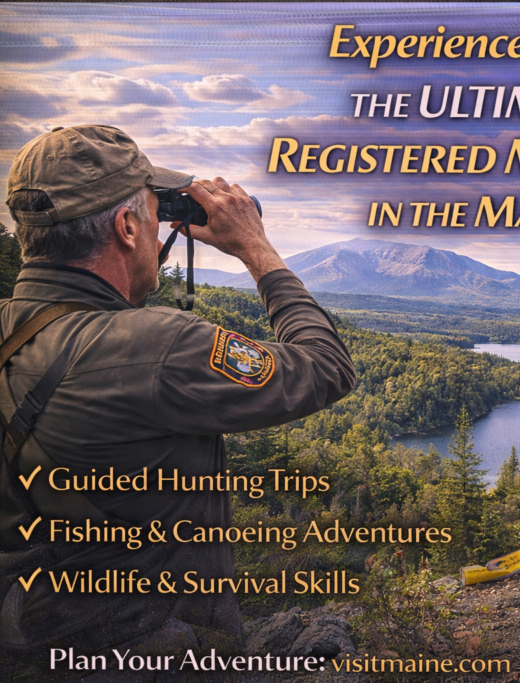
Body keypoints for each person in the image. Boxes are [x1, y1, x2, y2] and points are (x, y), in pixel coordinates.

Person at [0, 125, 357, 670]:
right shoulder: (155, 345)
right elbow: (327, 367)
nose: (163, 227)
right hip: (149, 652)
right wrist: (256, 247)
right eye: (154, 211)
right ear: (125, 227)